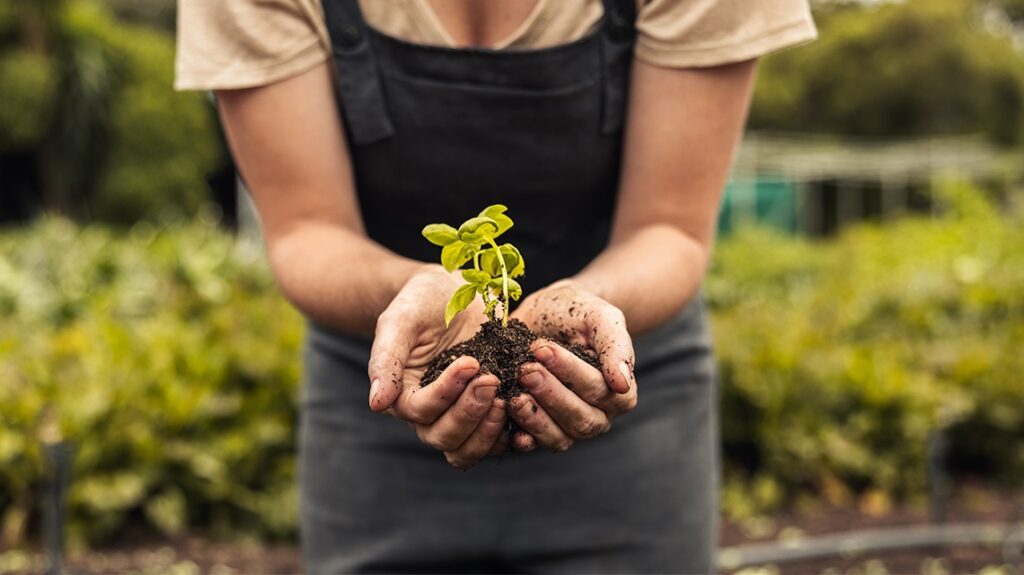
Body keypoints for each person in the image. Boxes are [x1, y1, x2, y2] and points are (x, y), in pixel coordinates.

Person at [176, 0, 815, 572]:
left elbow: (669, 227)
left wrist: (588, 304)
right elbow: (306, 230)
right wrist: (415, 288)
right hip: (387, 390)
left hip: (624, 390)